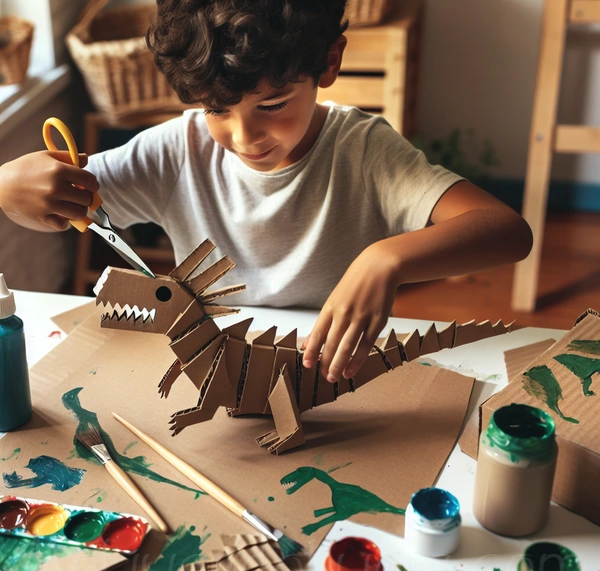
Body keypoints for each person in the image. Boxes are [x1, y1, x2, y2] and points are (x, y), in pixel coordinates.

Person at [0, 0, 532, 385]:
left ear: (328, 62)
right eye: (216, 109)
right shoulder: (174, 151)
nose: (243, 137)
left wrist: (385, 258)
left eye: (273, 105)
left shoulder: (364, 151)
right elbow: (64, 202)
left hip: (334, 374)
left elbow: (508, 232)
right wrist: (9, 189)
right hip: (212, 371)